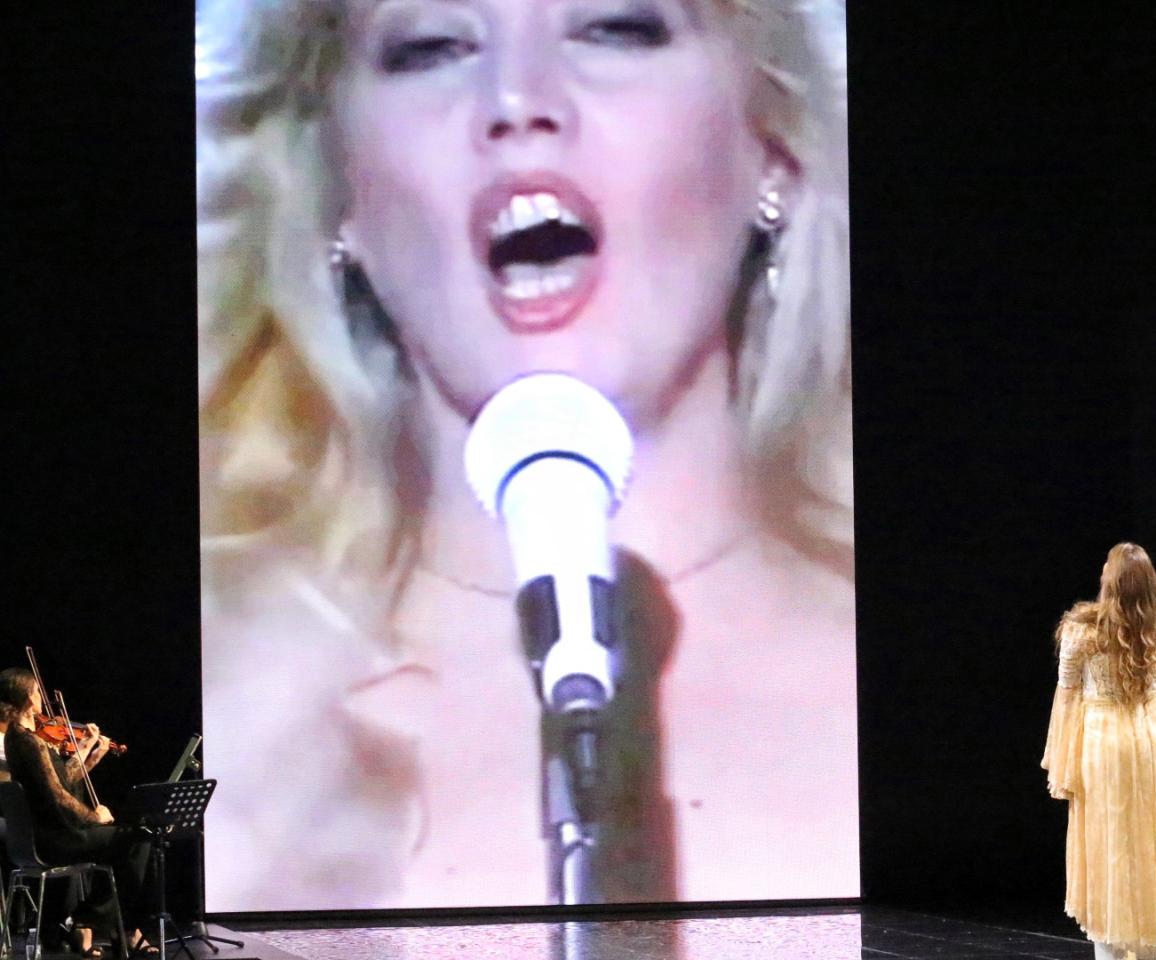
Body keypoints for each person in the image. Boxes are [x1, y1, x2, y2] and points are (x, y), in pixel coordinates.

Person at [195, 0, 854, 908]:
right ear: (337, 191)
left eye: (616, 29)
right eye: (432, 46)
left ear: (772, 151)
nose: (515, 99)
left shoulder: (982, 706)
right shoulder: (213, 740)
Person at [1043, 543, 1156, 960]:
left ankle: (1110, 952)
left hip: (1106, 742)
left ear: (1107, 581)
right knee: (1150, 841)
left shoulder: (1082, 630)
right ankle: (1149, 951)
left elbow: (1067, 692)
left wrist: (1062, 761)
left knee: (1108, 845)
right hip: (1152, 740)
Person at [0, 668, 154, 956]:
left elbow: (63, 780)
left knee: (134, 839)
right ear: (25, 697)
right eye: (36, 692)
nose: (40, 698)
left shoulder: (23, 738)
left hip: (53, 833)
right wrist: (94, 817)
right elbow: (58, 797)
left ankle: (106, 925)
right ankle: (94, 921)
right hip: (55, 838)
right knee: (139, 839)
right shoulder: (29, 741)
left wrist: (89, 753)